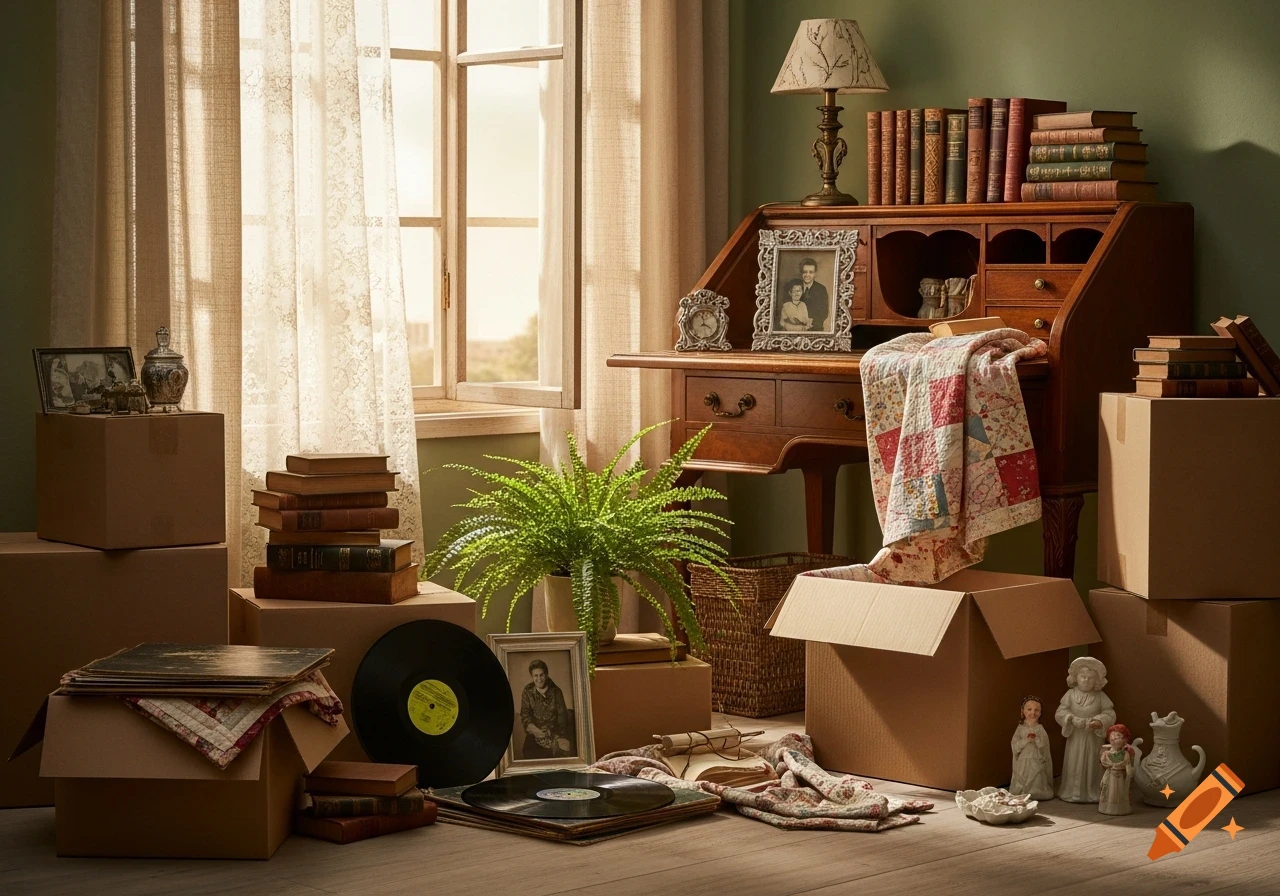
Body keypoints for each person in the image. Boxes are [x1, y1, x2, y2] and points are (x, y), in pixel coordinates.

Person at [1055, 656, 1115, 802]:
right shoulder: (1070, 694)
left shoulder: (1100, 696)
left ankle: (1092, 791)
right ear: (1076, 678)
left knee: (1092, 763)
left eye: (1090, 677)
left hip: (1093, 737)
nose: (1086, 680)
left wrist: (1099, 721)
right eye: (1083, 677)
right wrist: (1070, 718)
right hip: (1075, 736)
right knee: (1074, 762)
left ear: (1096, 681)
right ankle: (1071, 791)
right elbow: (1060, 712)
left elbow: (1110, 713)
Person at [519, 658, 573, 759]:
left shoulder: (556, 692)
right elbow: (525, 714)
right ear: (532, 676)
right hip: (535, 733)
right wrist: (535, 730)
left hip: (554, 733)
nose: (539, 679)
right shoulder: (527, 691)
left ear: (546, 675)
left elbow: (562, 718)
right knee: (528, 753)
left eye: (541, 675)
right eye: (536, 675)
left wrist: (555, 736)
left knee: (555, 754)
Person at [1010, 695, 1054, 800]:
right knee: (1022, 774)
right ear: (1023, 711)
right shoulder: (1020, 728)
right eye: (1029, 709)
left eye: (1036, 710)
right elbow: (1014, 745)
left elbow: (1044, 747)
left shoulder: (1040, 729)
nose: (1033, 713)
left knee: (1036, 775)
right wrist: (1026, 740)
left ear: (1040, 712)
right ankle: (1022, 790)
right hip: (1023, 759)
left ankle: (1036, 791)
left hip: (1036, 757)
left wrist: (1037, 740)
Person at [1098, 723, 1135, 815]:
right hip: (1110, 775)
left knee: (1119, 793)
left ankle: (1119, 808)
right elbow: (1104, 762)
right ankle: (1107, 807)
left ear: (1124, 740)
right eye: (1112, 736)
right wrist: (1112, 766)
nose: (1114, 738)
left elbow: (1127, 764)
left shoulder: (1125, 754)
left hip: (1120, 777)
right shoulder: (1106, 754)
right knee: (1108, 791)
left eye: (1118, 736)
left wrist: (1128, 770)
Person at [798, 257, 830, 331]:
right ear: (801, 272)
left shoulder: (821, 289)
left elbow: (824, 312)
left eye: (811, 272)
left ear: (815, 274)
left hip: (815, 327)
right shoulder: (795, 286)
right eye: (805, 272)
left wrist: (811, 321)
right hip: (797, 327)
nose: (807, 275)